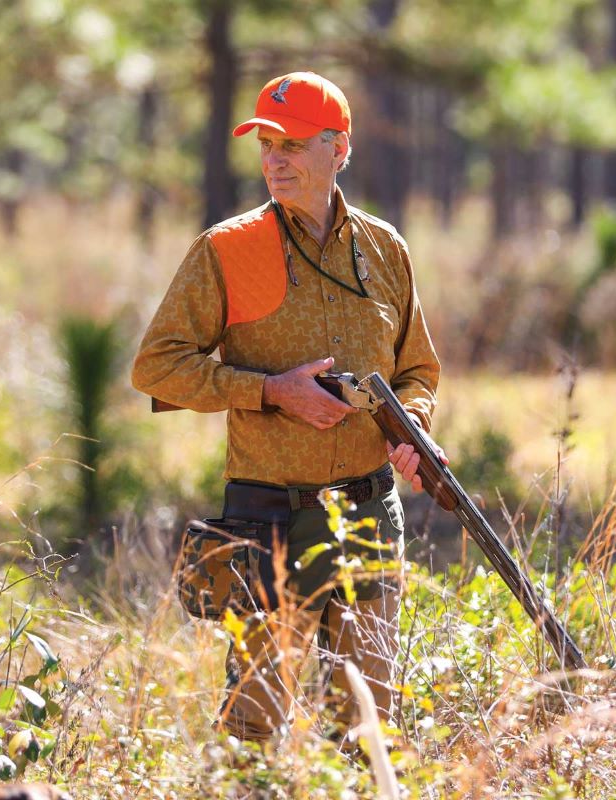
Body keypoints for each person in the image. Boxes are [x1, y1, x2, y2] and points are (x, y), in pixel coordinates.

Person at [131, 71, 445, 744]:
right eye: (266, 143)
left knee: (366, 729)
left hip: (367, 512)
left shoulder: (386, 248)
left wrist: (413, 422)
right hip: (267, 516)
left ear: (341, 148)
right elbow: (156, 367)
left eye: (295, 144)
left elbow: (418, 368)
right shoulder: (227, 248)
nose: (276, 159)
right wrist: (271, 391)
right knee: (252, 727)